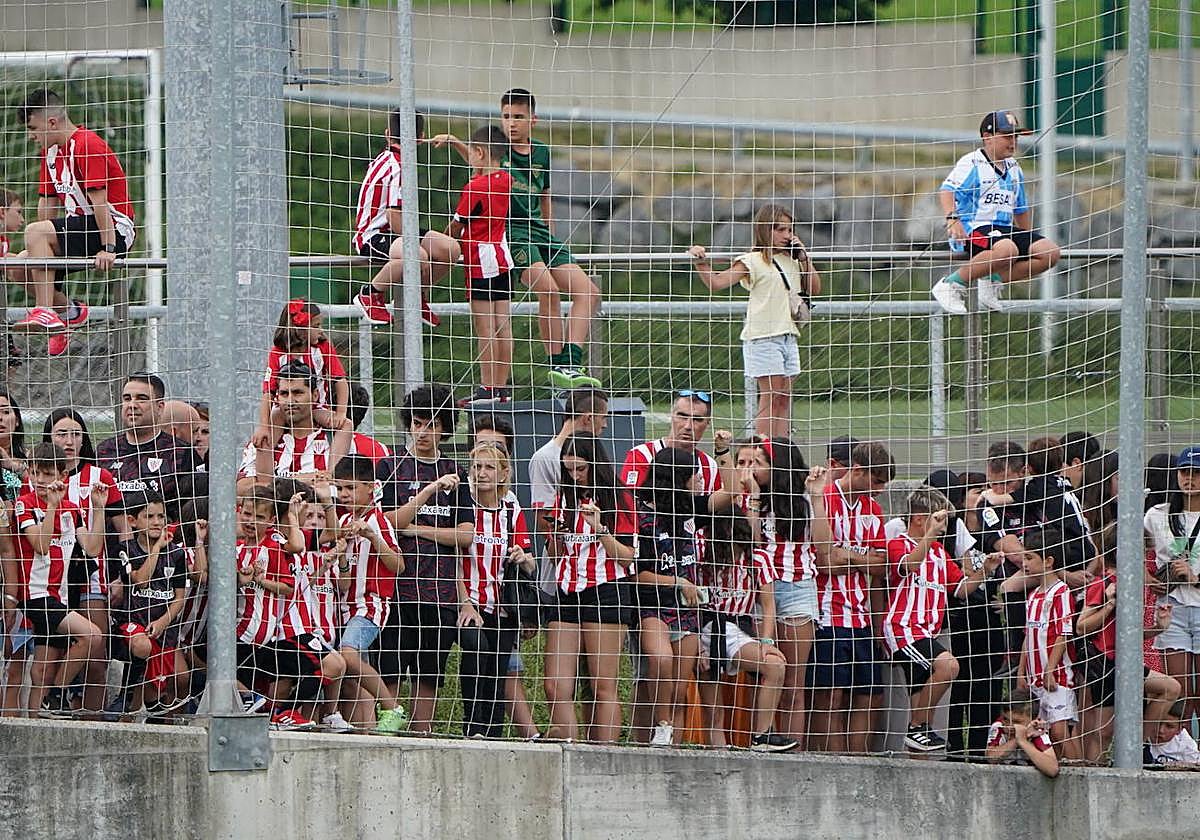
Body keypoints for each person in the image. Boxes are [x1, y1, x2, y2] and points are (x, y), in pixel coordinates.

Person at [433, 89, 602, 389]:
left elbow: (545, 195)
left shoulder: (541, 153)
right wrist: (456, 142)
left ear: (533, 120)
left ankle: (571, 362)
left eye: (518, 117)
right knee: (546, 291)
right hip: (511, 235)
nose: (511, 123)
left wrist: (550, 233)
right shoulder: (499, 152)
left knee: (588, 293)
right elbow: (480, 161)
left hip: (540, 233)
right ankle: (555, 364)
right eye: (506, 116)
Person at [377, 384, 474, 732]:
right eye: (417, 423)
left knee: (429, 672)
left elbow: (465, 534)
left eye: (432, 425)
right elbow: (388, 522)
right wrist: (430, 490)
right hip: (396, 588)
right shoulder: (389, 465)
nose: (423, 432)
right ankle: (388, 729)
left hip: (440, 589)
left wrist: (418, 531)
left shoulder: (456, 472)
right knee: (389, 666)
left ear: (445, 429)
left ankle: (422, 733)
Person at [632, 438, 738, 746]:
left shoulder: (690, 509)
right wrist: (678, 582)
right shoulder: (642, 516)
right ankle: (660, 726)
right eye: (695, 475)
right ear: (677, 478)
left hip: (688, 611)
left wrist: (722, 454)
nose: (701, 480)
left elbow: (731, 492)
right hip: (653, 607)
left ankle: (671, 747)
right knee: (661, 661)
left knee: (680, 690)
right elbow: (638, 575)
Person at [13, 90, 136, 356]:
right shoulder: (50, 153)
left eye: (33, 128)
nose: (31, 135)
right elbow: (47, 205)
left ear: (52, 123)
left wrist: (109, 247)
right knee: (19, 266)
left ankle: (45, 313)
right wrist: (40, 250)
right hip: (80, 227)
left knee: (35, 232)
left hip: (113, 229)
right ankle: (70, 313)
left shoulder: (87, 144)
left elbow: (100, 201)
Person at [884, 488, 1003, 754]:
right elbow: (910, 565)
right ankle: (916, 727)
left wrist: (985, 570)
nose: (944, 524)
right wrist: (930, 534)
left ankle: (919, 735)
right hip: (904, 629)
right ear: (918, 518)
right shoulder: (899, 544)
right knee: (949, 666)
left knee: (925, 688)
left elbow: (960, 589)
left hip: (928, 633)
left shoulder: (939, 552)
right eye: (938, 518)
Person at [688, 204, 821, 438]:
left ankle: (781, 449)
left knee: (783, 399)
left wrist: (804, 258)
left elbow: (814, 288)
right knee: (770, 398)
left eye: (789, 230)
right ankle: (763, 449)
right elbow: (717, 283)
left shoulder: (792, 260)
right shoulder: (752, 260)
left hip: (788, 336)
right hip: (763, 337)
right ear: (765, 230)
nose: (787, 236)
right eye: (780, 229)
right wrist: (700, 261)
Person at [543, 433, 636, 742]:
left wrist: (601, 529)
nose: (575, 476)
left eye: (580, 469)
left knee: (602, 685)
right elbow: (557, 555)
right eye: (568, 469)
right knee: (555, 685)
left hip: (605, 588)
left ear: (595, 465)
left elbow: (627, 558)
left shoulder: (617, 497)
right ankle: (567, 749)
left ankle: (606, 754)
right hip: (567, 590)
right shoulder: (563, 498)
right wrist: (553, 534)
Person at [738, 437, 828, 747]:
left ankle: (793, 750)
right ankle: (759, 740)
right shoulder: (747, 496)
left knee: (793, 684)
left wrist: (817, 497)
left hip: (796, 586)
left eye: (758, 463)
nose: (750, 469)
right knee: (763, 674)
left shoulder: (803, 497)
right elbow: (747, 542)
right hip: (756, 588)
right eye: (746, 463)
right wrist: (752, 496)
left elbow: (824, 546)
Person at [10, 442, 108, 715]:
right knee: (92, 635)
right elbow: (40, 544)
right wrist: (52, 506)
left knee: (41, 672)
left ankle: (39, 716)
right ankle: (57, 694)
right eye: (35, 473)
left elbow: (92, 548)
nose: (40, 480)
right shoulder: (24, 505)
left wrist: (98, 509)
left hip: (61, 598)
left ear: (62, 476)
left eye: (47, 473)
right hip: (35, 596)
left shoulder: (73, 508)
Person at [932, 109, 1061, 315]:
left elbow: (1020, 208)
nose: (1013, 142)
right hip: (973, 228)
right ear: (987, 137)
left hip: (1002, 231)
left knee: (1050, 252)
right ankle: (951, 284)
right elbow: (947, 190)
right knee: (1007, 249)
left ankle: (992, 280)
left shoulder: (1014, 167)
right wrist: (952, 218)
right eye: (1007, 136)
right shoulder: (971, 162)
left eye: (1015, 136)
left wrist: (1027, 239)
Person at [808, 441, 893, 754]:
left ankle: (857, 760)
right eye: (878, 480)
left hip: (860, 616)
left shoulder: (873, 509)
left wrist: (849, 556)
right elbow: (823, 560)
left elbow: (881, 565)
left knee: (870, 694)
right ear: (858, 471)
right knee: (830, 694)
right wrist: (860, 557)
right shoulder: (824, 499)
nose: (881, 489)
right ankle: (835, 761)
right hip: (826, 614)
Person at [42, 406, 125, 711]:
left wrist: (120, 575)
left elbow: (122, 534)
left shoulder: (100, 477)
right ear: (49, 437)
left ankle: (91, 719)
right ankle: (52, 704)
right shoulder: (39, 477)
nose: (69, 440)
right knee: (50, 653)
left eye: (75, 434)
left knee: (96, 651)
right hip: (48, 580)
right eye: (61, 433)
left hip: (92, 577)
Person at [353, 110, 460, 327]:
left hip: (396, 232)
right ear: (420, 138)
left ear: (387, 134)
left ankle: (417, 296)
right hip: (373, 235)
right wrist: (415, 245)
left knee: (450, 249)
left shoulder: (394, 160)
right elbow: (393, 216)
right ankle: (369, 293)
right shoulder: (397, 166)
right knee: (418, 256)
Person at [696, 511, 792, 751]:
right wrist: (696, 643)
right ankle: (718, 757)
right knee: (713, 707)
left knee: (774, 664)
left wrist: (767, 640)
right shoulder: (702, 555)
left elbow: (768, 605)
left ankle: (762, 735)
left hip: (738, 626)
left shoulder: (757, 559)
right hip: (707, 626)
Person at [458, 442, 536, 737]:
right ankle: (471, 725)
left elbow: (530, 564)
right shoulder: (464, 506)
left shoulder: (510, 509)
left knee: (498, 668)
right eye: (476, 467)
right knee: (477, 649)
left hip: (502, 603)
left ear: (504, 474)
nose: (481, 473)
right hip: (470, 601)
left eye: (489, 467)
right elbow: (452, 557)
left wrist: (522, 557)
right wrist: (464, 602)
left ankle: (492, 734)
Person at [1076, 545, 1178, 762]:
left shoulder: (1131, 586)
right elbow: (1082, 626)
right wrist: (1110, 603)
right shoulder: (1101, 583)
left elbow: (1128, 634)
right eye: (1141, 554)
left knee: (1171, 688)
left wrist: (1159, 627)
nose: (1144, 560)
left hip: (1126, 661)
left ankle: (1137, 746)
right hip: (1105, 662)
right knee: (1103, 732)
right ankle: (1098, 777)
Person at [330, 455, 406, 733]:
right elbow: (344, 581)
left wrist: (374, 539)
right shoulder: (345, 521)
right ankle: (360, 728)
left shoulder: (378, 521)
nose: (344, 495)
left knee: (348, 655)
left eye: (350, 488)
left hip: (370, 606)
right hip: (344, 607)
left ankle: (392, 706)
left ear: (370, 488)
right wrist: (340, 556)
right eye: (339, 489)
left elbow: (399, 565)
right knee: (350, 673)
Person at [446, 125, 516, 406]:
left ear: (481, 152)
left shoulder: (473, 188)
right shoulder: (505, 179)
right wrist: (456, 143)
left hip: (479, 260)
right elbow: (482, 163)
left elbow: (456, 225)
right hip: (502, 255)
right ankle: (501, 388)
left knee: (485, 328)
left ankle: (486, 389)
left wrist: (437, 242)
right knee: (503, 325)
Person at [108, 492, 190, 717]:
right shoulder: (125, 550)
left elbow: (179, 597)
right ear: (133, 521)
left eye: (161, 516)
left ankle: (161, 718)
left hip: (163, 628)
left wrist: (164, 621)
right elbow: (141, 580)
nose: (156, 522)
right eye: (149, 516)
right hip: (132, 624)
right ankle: (124, 698)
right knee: (142, 647)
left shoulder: (176, 554)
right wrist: (155, 550)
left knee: (180, 678)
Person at [252, 300, 352, 469]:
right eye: (317, 325)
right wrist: (263, 426)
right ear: (302, 331)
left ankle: (332, 472)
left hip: (316, 407)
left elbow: (340, 380)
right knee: (267, 431)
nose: (321, 330)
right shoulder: (278, 353)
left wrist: (341, 412)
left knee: (346, 425)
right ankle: (264, 478)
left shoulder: (323, 348)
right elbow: (268, 392)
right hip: (285, 409)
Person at [528, 387, 609, 594]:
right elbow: (544, 520)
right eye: (603, 418)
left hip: (597, 568)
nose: (605, 425)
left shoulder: (596, 453)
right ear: (588, 418)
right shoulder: (544, 458)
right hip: (562, 567)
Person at [95, 372, 202, 521]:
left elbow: (194, 509)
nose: (132, 405)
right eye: (127, 399)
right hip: (111, 542)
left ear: (160, 407)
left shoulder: (181, 453)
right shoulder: (104, 451)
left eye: (142, 399)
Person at [1144, 446, 1200, 728]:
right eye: (1184, 472)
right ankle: (1185, 751)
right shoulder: (1158, 513)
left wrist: (1194, 577)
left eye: (1196, 473)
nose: (1189, 479)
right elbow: (1126, 542)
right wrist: (1146, 576)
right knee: (1181, 692)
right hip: (1172, 607)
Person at [1015, 527, 1081, 760]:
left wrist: (1050, 670)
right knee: (1044, 733)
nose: (1024, 563)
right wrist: (1021, 671)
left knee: (1060, 731)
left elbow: (1063, 634)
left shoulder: (1061, 592)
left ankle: (1084, 773)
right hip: (1035, 677)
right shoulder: (1033, 595)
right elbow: (1028, 635)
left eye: (1029, 557)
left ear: (1048, 561)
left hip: (1057, 676)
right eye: (1024, 557)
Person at [240, 362, 355, 488]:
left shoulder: (337, 439)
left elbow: (343, 488)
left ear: (315, 395)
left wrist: (276, 484)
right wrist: (307, 479)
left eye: (297, 393)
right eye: (284, 394)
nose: (290, 401)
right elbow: (241, 489)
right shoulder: (262, 439)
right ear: (277, 398)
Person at [621, 390, 720, 493]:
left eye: (697, 419)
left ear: (708, 424)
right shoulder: (642, 455)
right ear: (671, 416)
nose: (688, 426)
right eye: (682, 416)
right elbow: (629, 504)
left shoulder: (709, 465)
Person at [985, 689, 1060, 777]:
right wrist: (1017, 739)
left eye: (1016, 722)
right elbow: (990, 757)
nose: (1009, 725)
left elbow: (1052, 769)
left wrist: (1023, 742)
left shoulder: (1037, 731)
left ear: (1032, 720)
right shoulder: (999, 726)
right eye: (1005, 719)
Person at [1144, 700, 1200, 767]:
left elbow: (1195, 766)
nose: (1161, 730)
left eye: (1169, 726)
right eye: (1157, 723)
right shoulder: (1141, 736)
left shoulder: (1186, 742)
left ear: (1179, 729)